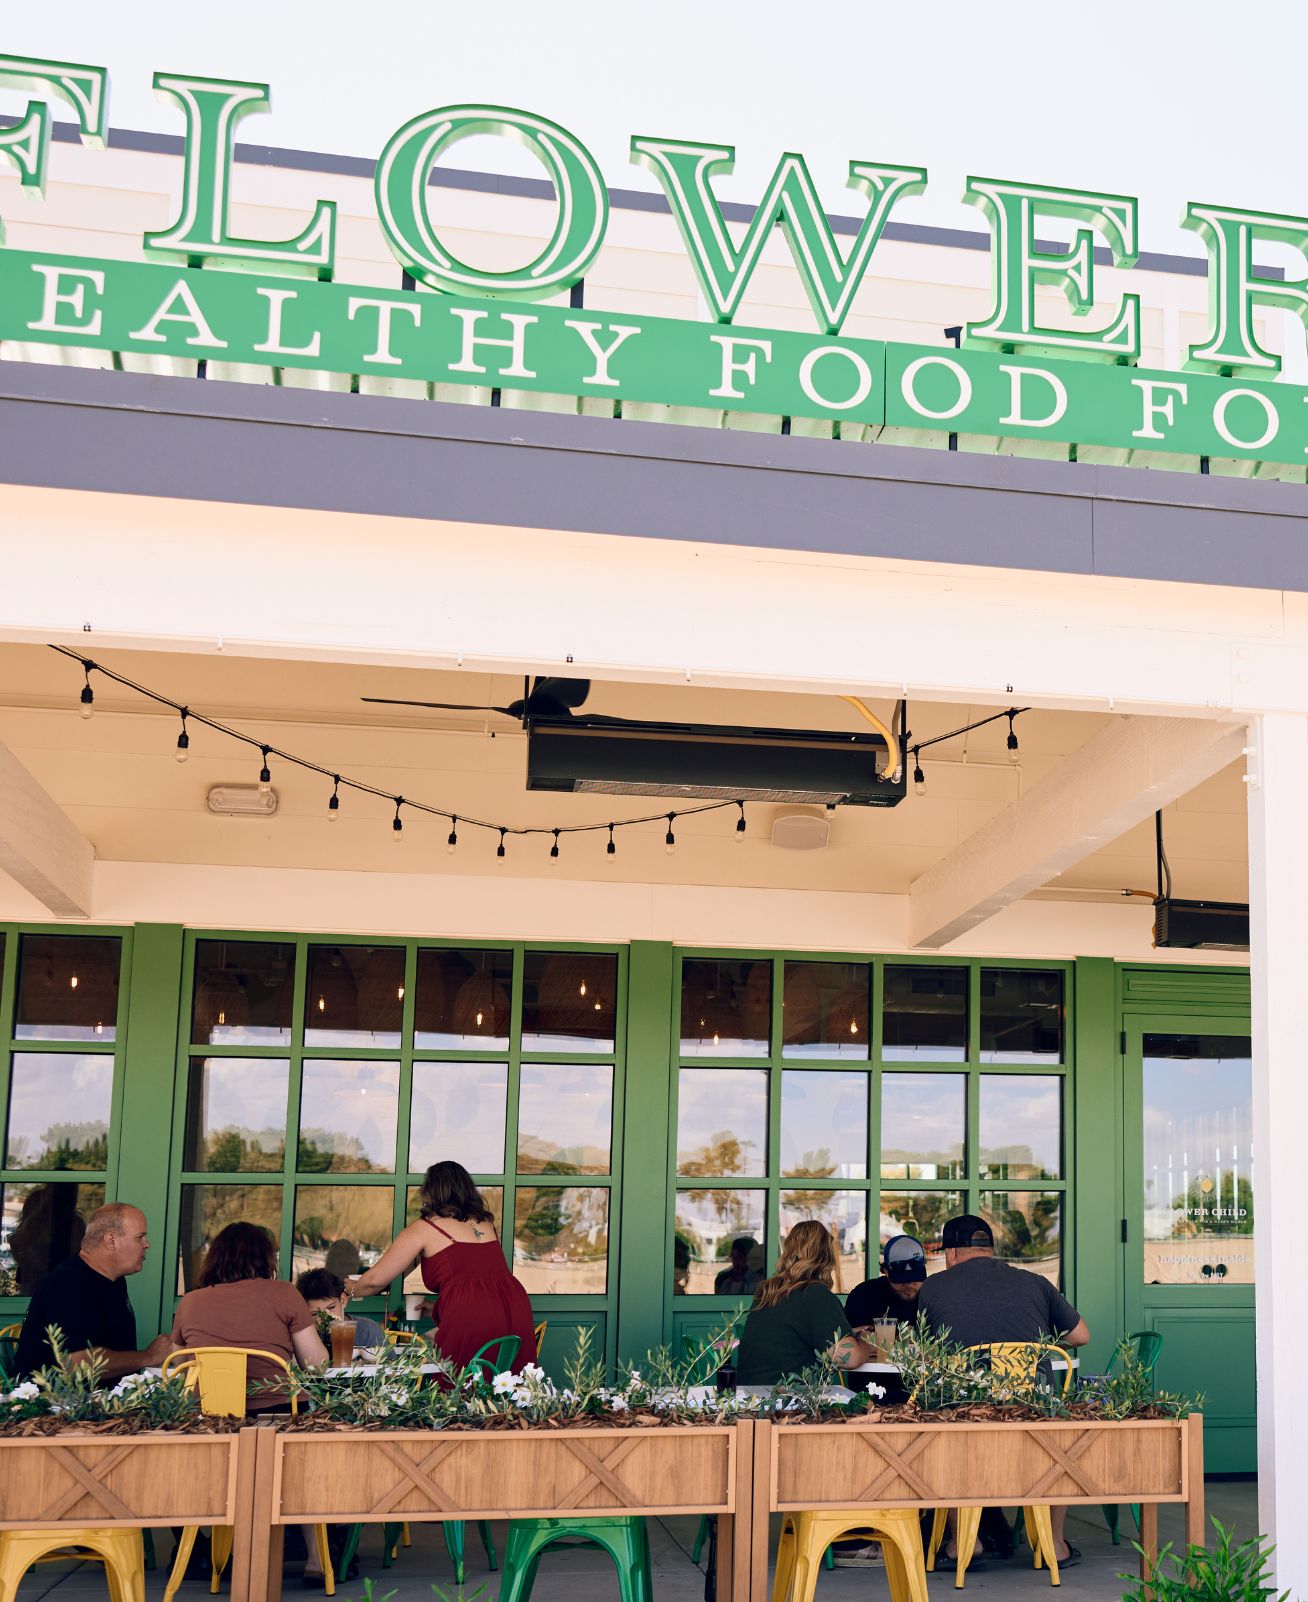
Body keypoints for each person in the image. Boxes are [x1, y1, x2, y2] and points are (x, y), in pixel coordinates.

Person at [919, 1215, 1090, 1571]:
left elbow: (926, 1353)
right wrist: (1031, 1346)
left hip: (969, 1422)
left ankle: (962, 1544)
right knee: (1056, 1438)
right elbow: (1080, 1337)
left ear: (950, 1253)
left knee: (943, 1433)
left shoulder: (934, 1288)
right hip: (1032, 1418)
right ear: (990, 1249)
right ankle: (1054, 1545)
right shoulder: (1035, 1282)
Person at [345, 1161, 536, 1373]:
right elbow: (481, 1283)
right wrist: (437, 1307)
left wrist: (349, 1289)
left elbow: (373, 1282)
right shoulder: (485, 1224)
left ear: (430, 1192)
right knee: (504, 1380)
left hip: (471, 1316)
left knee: (458, 1384)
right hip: (514, 1305)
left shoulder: (425, 1228)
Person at [171, 1222, 328, 1410]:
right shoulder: (284, 1292)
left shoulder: (189, 1302)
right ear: (266, 1258)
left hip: (207, 1411)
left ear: (213, 1259)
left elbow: (180, 1368)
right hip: (280, 1409)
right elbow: (317, 1365)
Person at [13, 1202, 171, 1380]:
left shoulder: (113, 1280)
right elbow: (77, 1363)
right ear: (111, 1241)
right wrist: (148, 1357)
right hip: (53, 1404)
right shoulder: (66, 1284)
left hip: (105, 1401)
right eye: (139, 1237)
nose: (147, 1244)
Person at [735, 1220, 872, 1386]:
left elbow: (789, 1339)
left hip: (749, 1398)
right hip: (787, 1402)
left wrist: (848, 1333)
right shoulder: (815, 1294)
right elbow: (848, 1358)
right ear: (826, 1256)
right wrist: (867, 1343)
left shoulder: (769, 1292)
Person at [845, 1235, 927, 1333]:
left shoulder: (934, 1294)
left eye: (915, 1279)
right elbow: (847, 1339)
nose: (909, 1285)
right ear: (886, 1271)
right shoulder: (864, 1295)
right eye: (902, 1280)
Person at [295, 1267, 385, 1349]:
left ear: (343, 1300)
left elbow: (389, 1364)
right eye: (314, 1314)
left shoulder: (368, 1331)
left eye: (331, 1307)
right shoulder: (302, 1336)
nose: (324, 1318)